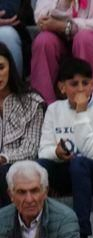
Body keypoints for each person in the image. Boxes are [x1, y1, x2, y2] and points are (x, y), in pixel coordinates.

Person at [37, 57, 93, 238]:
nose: (81, 88)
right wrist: (56, 153)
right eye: (74, 84)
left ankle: (83, 234)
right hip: (66, 170)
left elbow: (91, 152)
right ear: (62, 87)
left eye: (85, 83)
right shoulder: (54, 109)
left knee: (79, 162)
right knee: (38, 167)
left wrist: (81, 112)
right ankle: (40, 229)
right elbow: (43, 151)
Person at [31, 0, 93, 105]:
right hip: (59, 38)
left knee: (84, 39)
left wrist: (68, 26)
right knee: (43, 41)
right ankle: (43, 109)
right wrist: (64, 3)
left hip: (91, 39)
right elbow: (40, 17)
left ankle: (89, 106)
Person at [0, 51, 44, 197]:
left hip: (20, 168)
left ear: (10, 68)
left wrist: (4, 158)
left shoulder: (31, 102)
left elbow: (31, 149)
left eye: (1, 67)